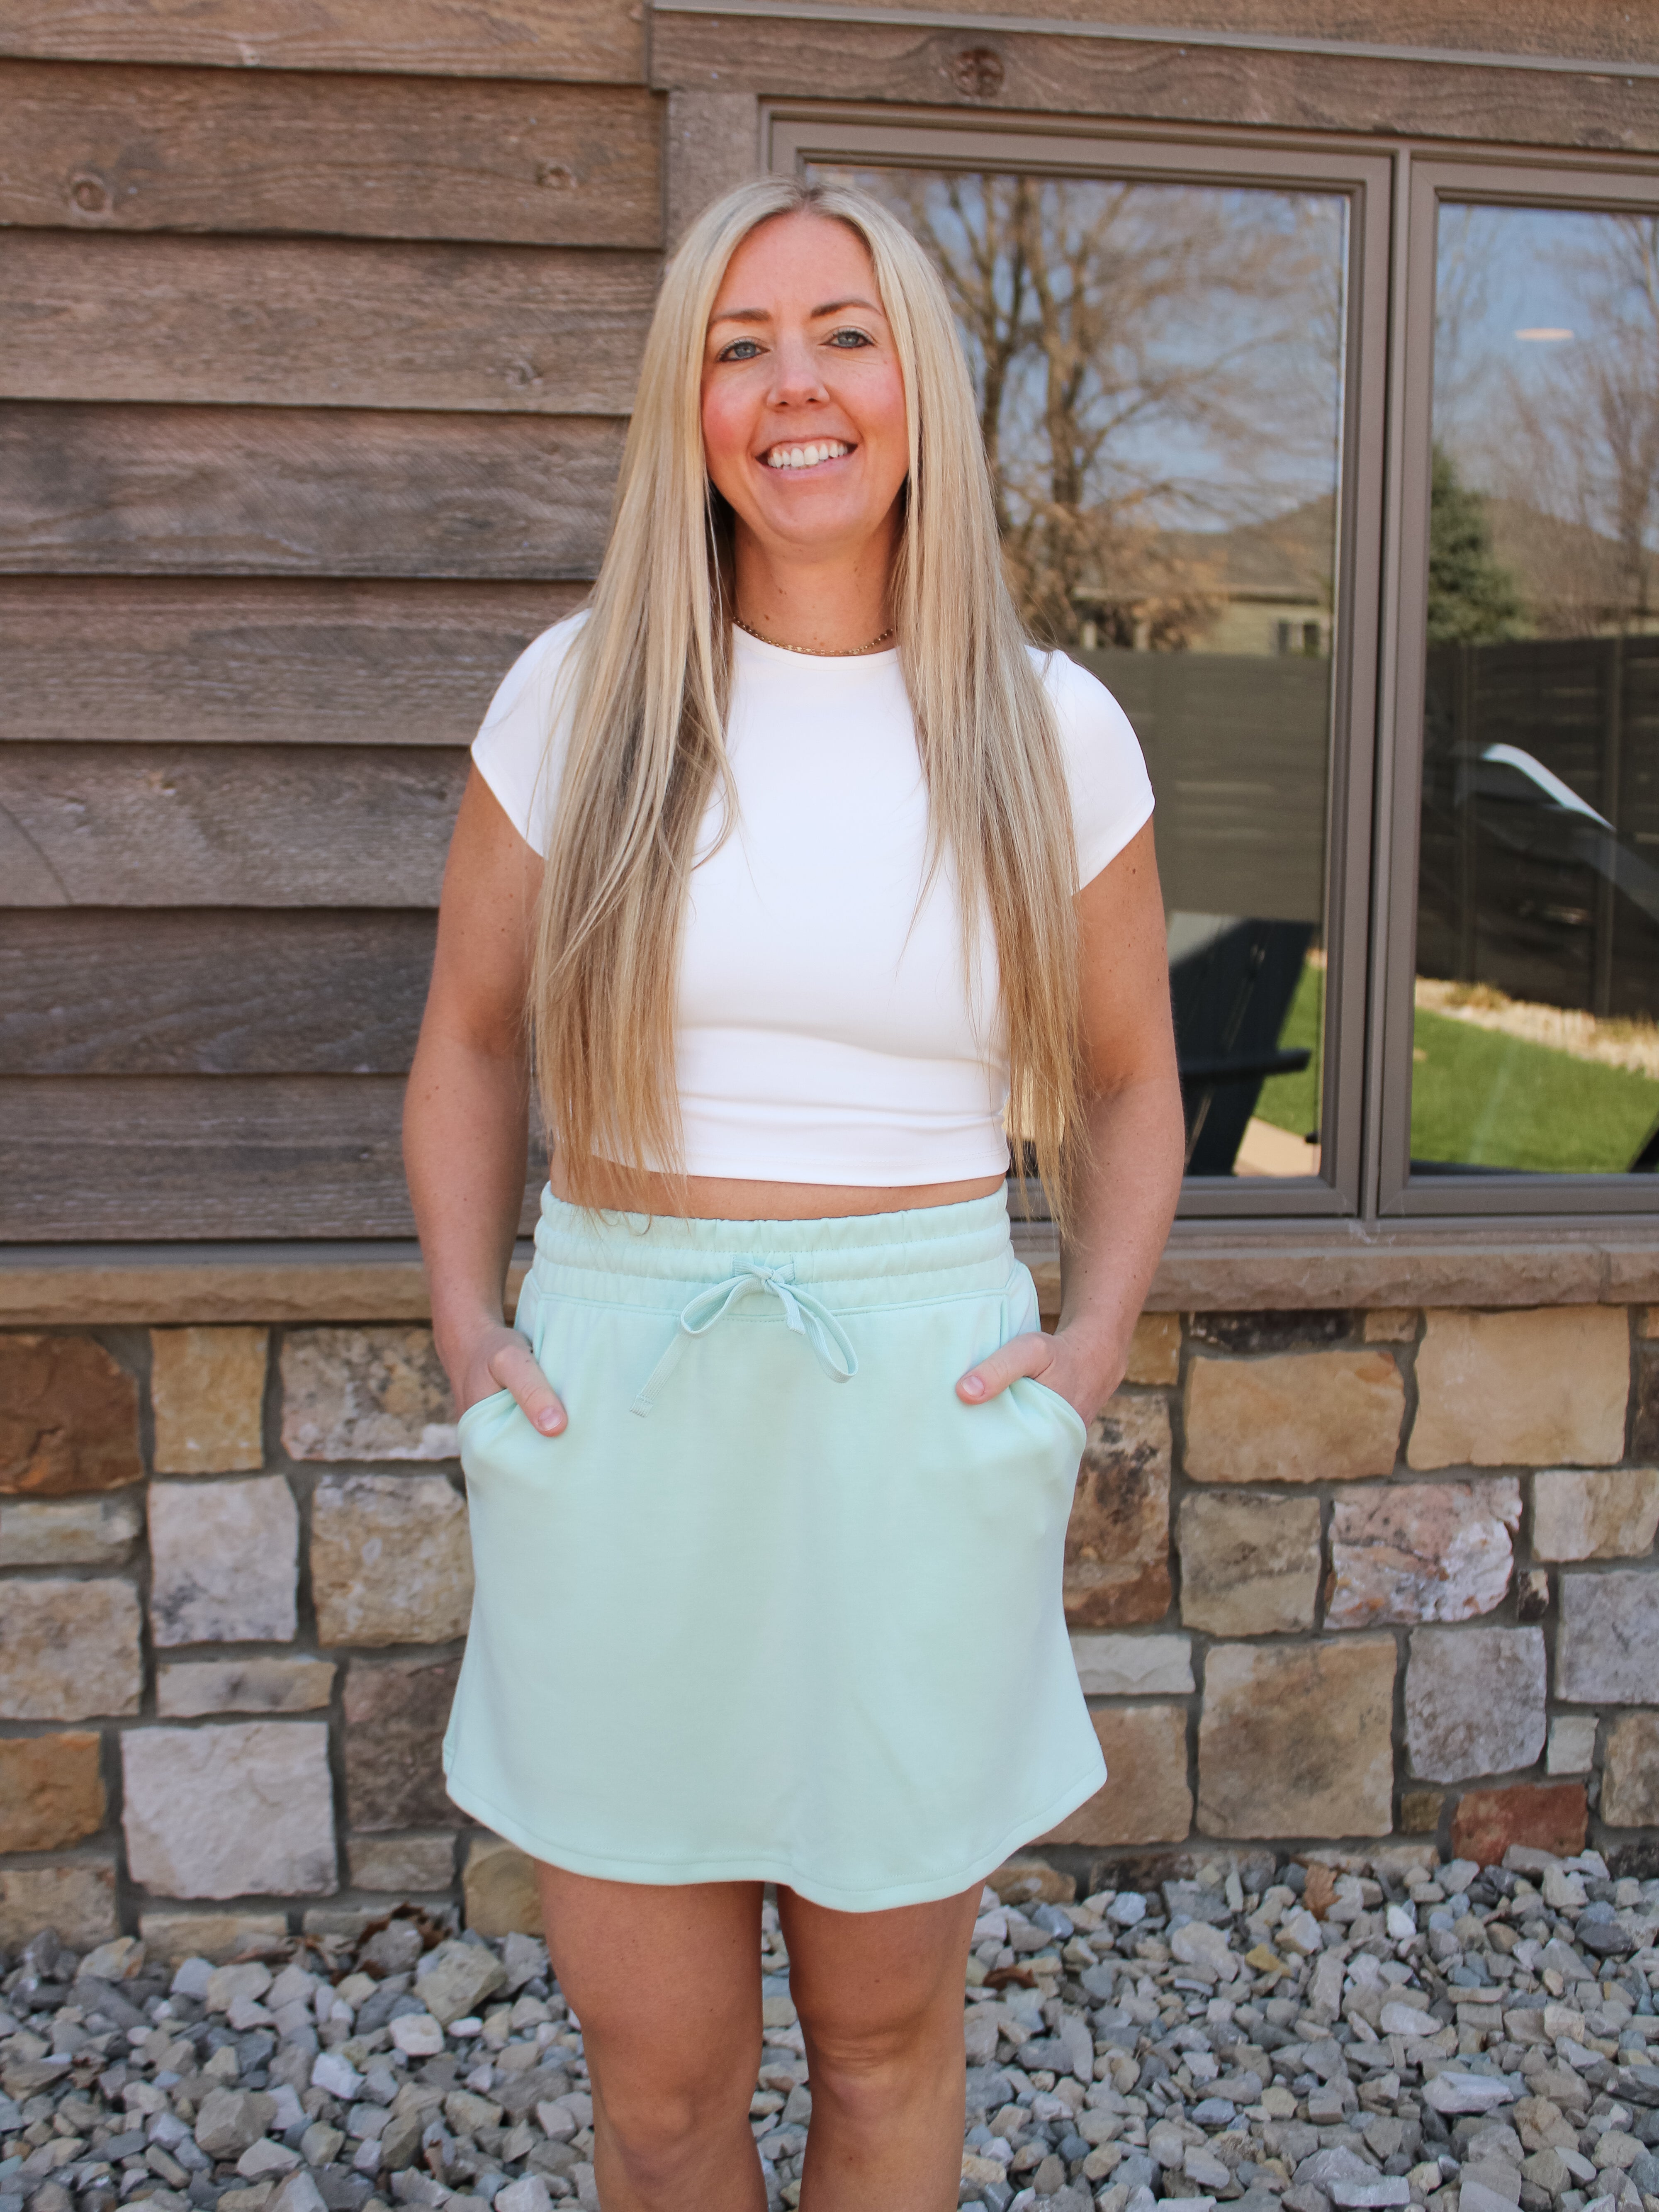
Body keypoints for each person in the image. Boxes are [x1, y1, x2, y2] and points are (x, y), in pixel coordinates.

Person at [404, 174, 1184, 2212]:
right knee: (661, 2082)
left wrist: (1088, 1346)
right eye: (740, 347)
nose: (796, 386)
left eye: (844, 334)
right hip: (622, 1406)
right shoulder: (578, 696)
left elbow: (1129, 1085)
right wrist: (473, 1329)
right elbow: (470, 1039)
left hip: (914, 1418)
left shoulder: (1049, 729)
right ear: (692, 405)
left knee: (881, 2041)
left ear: (917, 383)